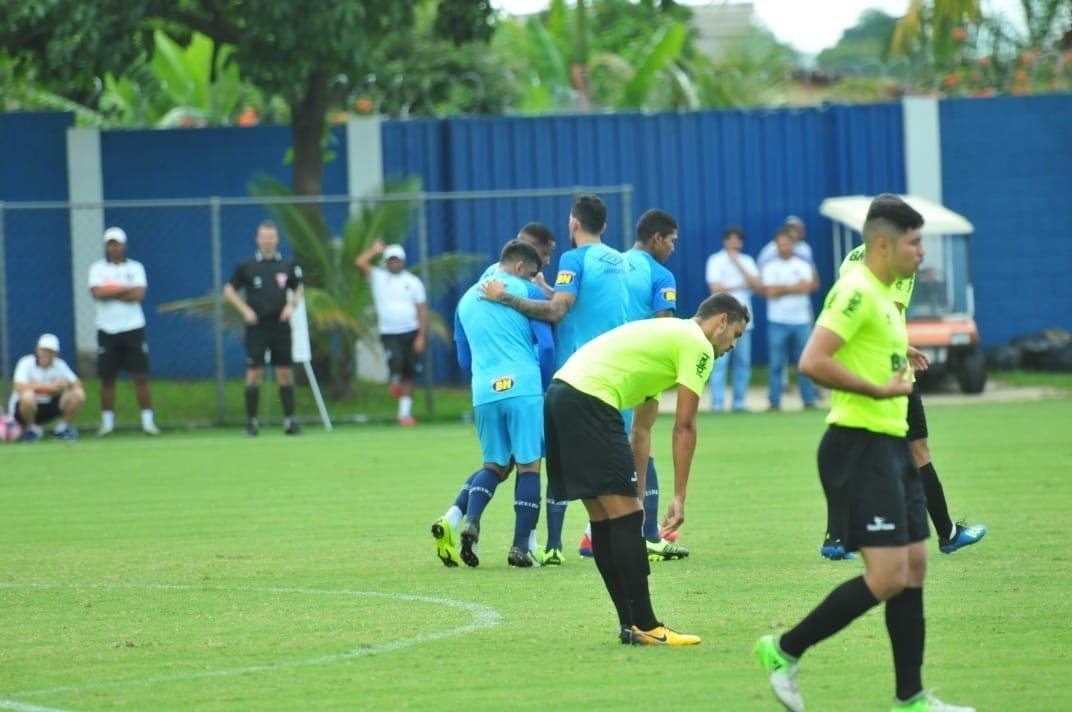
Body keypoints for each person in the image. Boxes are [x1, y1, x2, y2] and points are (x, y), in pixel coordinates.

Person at [756, 194, 975, 712]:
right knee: (888, 576)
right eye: (915, 242)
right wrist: (876, 391)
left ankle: (911, 697)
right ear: (884, 243)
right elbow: (813, 359)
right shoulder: (855, 290)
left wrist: (901, 355)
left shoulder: (884, 293)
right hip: (857, 447)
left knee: (915, 566)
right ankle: (784, 650)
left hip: (891, 446)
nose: (922, 252)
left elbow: (873, 348)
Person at [542, 293, 748, 645]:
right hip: (590, 400)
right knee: (621, 518)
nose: (733, 345)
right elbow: (685, 426)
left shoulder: (667, 340)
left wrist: (635, 495)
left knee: (608, 518)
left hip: (561, 396)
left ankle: (631, 625)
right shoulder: (696, 343)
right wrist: (679, 497)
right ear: (722, 321)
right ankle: (649, 625)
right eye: (737, 335)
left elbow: (641, 431)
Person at [480, 194, 630, 566]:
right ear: (605, 227)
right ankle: (608, 536)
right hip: (619, 370)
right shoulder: (621, 261)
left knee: (560, 461)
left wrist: (506, 299)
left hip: (579, 375)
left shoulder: (573, 259)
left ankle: (552, 545)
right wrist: (551, 290)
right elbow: (587, 303)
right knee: (617, 456)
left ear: (573, 224)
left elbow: (558, 311)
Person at [821, 243, 987, 559]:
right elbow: (890, 317)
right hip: (891, 374)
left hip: (856, 365)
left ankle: (835, 537)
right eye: (913, 238)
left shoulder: (853, 258)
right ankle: (947, 533)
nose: (920, 250)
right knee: (916, 452)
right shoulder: (900, 263)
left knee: (854, 449)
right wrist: (899, 350)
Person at [432, 240, 555, 569]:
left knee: (494, 466)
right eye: (531, 273)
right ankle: (519, 547)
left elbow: (462, 359)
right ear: (518, 267)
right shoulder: (528, 293)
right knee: (529, 466)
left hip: (484, 392)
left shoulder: (465, 301)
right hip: (524, 387)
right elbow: (545, 347)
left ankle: (471, 519)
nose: (531, 279)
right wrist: (543, 385)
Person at [579, 208, 688, 563]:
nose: (673, 247)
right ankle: (647, 532)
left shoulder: (613, 262)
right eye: (671, 240)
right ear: (656, 238)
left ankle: (594, 533)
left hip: (603, 366)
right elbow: (664, 326)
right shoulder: (661, 275)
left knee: (621, 446)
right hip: (641, 368)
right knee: (641, 441)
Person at [224, 220, 303, 437]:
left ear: (277, 239)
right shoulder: (246, 266)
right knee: (254, 374)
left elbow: (298, 289)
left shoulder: (287, 265)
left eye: (271, 237)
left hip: (280, 327)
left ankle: (289, 421)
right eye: (264, 237)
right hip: (257, 328)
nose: (267, 241)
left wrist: (291, 306)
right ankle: (251, 423)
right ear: (258, 239)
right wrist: (245, 311)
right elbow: (229, 291)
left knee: (285, 373)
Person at [88, 226, 159, 436]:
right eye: (110, 244)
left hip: (133, 328)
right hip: (106, 329)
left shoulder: (136, 267)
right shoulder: (97, 268)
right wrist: (123, 288)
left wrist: (111, 290)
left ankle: (148, 423)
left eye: (117, 243)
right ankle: (107, 424)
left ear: (124, 246)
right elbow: (97, 292)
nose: (114, 248)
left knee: (141, 377)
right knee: (107, 378)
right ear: (105, 246)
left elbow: (138, 294)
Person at [355, 240, 427, 426]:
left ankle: (404, 414)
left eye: (397, 260)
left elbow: (421, 309)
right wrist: (374, 250)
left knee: (409, 373)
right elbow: (360, 263)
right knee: (396, 362)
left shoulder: (412, 282)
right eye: (391, 260)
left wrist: (421, 335)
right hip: (389, 332)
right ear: (386, 262)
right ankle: (394, 380)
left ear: (403, 261)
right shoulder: (378, 277)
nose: (395, 264)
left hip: (410, 331)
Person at [761, 227, 820, 410]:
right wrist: (796, 287)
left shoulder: (802, 264)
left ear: (793, 245)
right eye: (780, 245)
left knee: (804, 362)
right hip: (777, 320)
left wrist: (783, 289)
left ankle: (808, 399)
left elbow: (813, 285)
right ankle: (774, 401)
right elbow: (769, 292)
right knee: (776, 364)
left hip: (801, 320)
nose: (783, 248)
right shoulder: (770, 266)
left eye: (787, 244)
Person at [705, 226, 762, 413]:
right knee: (720, 363)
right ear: (725, 241)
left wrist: (737, 263)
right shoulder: (715, 260)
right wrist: (740, 285)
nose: (733, 243)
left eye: (737, 239)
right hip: (722, 322)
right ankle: (717, 403)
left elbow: (756, 284)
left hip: (744, 322)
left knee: (742, 362)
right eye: (730, 239)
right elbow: (716, 288)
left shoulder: (747, 261)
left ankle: (739, 402)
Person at [9, 334, 85, 442]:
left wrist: (64, 384)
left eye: (51, 352)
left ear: (56, 353)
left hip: (49, 406)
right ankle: (31, 430)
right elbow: (19, 387)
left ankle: (61, 430)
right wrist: (49, 386)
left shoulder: (60, 365)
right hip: (24, 409)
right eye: (44, 350)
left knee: (78, 393)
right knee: (28, 395)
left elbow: (77, 383)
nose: (47, 354)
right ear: (37, 350)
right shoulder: (26, 363)